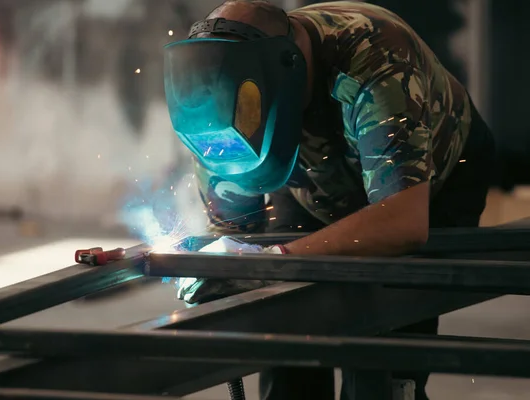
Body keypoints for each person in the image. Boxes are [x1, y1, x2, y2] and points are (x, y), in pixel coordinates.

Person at [162, 1, 496, 399]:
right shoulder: (213, 101)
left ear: (287, 66)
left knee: (383, 350)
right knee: (286, 342)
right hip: (310, 176)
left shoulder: (374, 56)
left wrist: (279, 260)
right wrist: (223, 271)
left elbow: (401, 221)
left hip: (432, 176)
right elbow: (236, 236)